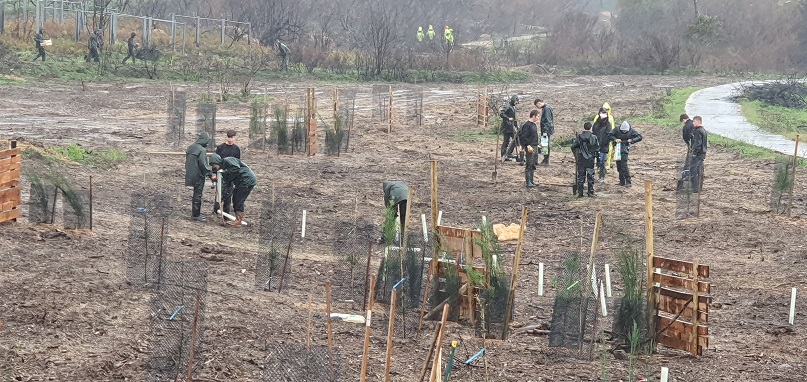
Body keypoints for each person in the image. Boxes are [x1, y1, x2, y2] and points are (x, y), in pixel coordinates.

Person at [209, 154, 257, 226]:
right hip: (241, 182)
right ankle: (238, 219)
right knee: (235, 198)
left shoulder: (228, 160)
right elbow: (227, 185)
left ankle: (238, 220)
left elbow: (236, 168)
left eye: (214, 165)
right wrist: (222, 197)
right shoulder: (223, 171)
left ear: (217, 162)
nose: (213, 167)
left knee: (238, 199)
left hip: (247, 179)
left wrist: (224, 172)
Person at [185, 132, 214, 222]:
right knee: (198, 194)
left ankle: (195, 213)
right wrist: (211, 174)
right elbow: (203, 165)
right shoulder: (201, 150)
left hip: (190, 173)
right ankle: (196, 215)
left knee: (195, 194)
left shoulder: (191, 147)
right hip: (198, 175)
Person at [608, 121, 643, 187]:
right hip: (617, 148)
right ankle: (622, 181)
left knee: (624, 165)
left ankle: (628, 181)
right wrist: (615, 139)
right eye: (623, 131)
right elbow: (610, 135)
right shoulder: (616, 129)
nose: (624, 132)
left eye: (625, 131)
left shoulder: (632, 131)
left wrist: (632, 140)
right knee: (619, 165)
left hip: (625, 149)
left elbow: (639, 137)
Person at [571, 122, 600, 197]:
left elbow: (573, 146)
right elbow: (597, 149)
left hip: (581, 158)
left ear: (584, 128)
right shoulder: (594, 137)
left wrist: (576, 154)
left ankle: (580, 193)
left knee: (581, 175)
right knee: (590, 175)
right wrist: (598, 160)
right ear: (591, 128)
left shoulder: (579, 137)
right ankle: (590, 192)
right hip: (590, 159)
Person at [518, 110, 541, 188]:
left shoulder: (534, 125)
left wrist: (537, 144)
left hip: (534, 146)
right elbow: (523, 136)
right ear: (533, 116)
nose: (538, 118)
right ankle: (528, 182)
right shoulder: (526, 125)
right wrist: (527, 145)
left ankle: (531, 181)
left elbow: (534, 136)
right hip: (529, 147)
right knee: (529, 164)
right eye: (537, 116)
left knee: (533, 164)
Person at [592, 106, 614, 181]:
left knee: (602, 161)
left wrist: (603, 143)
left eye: (605, 113)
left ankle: (602, 176)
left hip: (604, 146)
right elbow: (593, 133)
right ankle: (593, 175)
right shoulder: (596, 124)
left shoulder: (608, 125)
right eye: (602, 113)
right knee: (595, 161)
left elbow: (609, 136)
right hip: (595, 146)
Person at [689, 116, 707, 193]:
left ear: (698, 122)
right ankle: (699, 187)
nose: (693, 123)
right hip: (702, 153)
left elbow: (698, 144)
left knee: (693, 170)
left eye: (694, 121)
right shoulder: (703, 130)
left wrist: (694, 153)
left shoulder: (698, 131)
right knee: (700, 171)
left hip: (698, 154)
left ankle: (695, 188)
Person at [534, 98, 555, 165]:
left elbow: (547, 121)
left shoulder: (546, 109)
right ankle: (545, 159)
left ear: (538, 103)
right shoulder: (547, 107)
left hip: (546, 130)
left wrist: (545, 131)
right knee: (544, 143)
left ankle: (546, 160)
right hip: (547, 129)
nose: (537, 107)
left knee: (545, 144)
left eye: (537, 106)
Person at [499, 95, 519, 162]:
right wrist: (508, 118)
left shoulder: (513, 107)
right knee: (506, 141)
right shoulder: (507, 106)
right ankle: (503, 155)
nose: (516, 103)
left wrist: (517, 126)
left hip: (512, 127)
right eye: (516, 101)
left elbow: (514, 118)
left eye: (517, 102)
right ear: (513, 100)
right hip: (506, 127)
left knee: (515, 140)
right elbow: (501, 113)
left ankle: (509, 153)